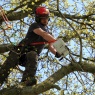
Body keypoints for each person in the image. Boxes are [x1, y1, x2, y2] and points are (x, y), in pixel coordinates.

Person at [0, 6, 61, 87]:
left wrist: (57, 53)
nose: (45, 20)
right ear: (38, 18)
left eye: (46, 18)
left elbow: (51, 47)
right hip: (20, 51)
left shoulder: (50, 34)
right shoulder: (35, 26)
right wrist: (57, 41)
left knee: (33, 55)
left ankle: (26, 81)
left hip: (30, 56)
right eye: (42, 18)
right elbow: (43, 34)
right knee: (6, 68)